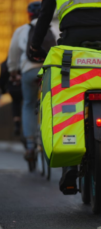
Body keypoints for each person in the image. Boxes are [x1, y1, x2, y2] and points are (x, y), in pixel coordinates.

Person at [29, 0, 101, 194]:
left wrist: (35, 46)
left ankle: (70, 167)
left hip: (73, 35)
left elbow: (45, 14)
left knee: (69, 92)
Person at [7, 2, 56, 162]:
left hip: (29, 71)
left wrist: (13, 72)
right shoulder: (54, 28)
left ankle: (29, 146)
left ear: (29, 15)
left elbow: (13, 55)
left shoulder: (21, 30)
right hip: (50, 71)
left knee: (28, 104)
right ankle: (54, 139)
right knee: (52, 104)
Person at [0, 59, 23, 136]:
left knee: (16, 103)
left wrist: (3, 90)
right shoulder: (23, 57)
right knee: (28, 104)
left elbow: (3, 78)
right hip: (24, 85)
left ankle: (17, 124)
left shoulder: (5, 63)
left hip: (12, 87)